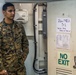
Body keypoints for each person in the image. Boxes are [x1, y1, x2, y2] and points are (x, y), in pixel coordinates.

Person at [0, 2, 29, 75]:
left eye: (14, 11)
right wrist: (1, 68)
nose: (13, 13)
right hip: (7, 69)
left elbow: (25, 43)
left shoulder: (19, 26)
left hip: (20, 68)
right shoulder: (0, 28)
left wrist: (23, 58)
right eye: (10, 11)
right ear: (4, 12)